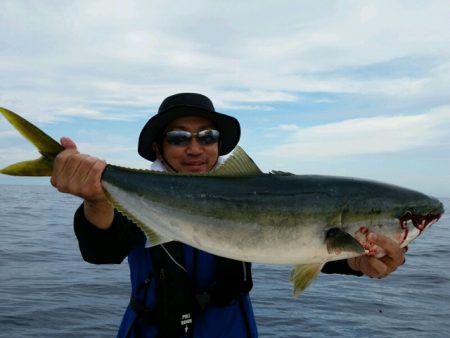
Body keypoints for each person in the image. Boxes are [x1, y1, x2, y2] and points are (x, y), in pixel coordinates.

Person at [50, 93, 406, 338]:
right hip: (152, 330)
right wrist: (97, 200)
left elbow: (295, 236)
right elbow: (102, 252)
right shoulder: (142, 197)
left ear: (220, 145)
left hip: (231, 326)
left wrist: (356, 262)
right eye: (178, 138)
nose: (194, 148)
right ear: (159, 148)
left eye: (207, 136)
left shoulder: (255, 194)